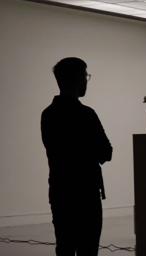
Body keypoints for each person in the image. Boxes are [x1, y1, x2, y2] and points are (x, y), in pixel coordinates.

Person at [41, 57, 112, 256]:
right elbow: (106, 152)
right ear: (77, 79)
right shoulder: (87, 114)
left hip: (59, 190)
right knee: (88, 249)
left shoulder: (48, 114)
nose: (86, 81)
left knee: (64, 247)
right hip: (86, 193)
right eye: (85, 76)